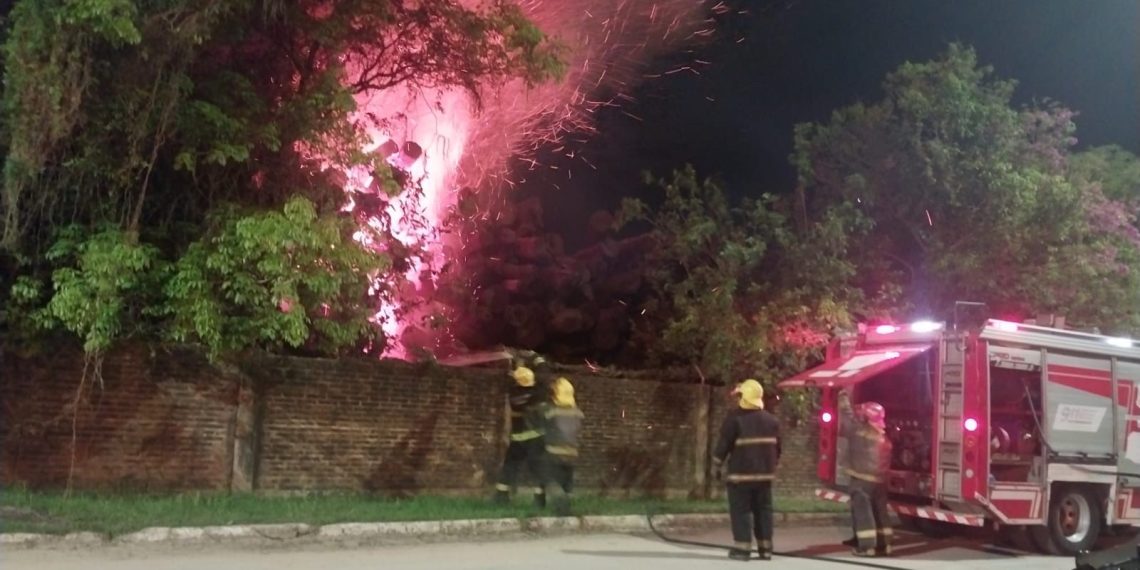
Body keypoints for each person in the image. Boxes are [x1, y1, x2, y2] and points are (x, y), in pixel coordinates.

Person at [712, 379, 781, 561]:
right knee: (763, 511)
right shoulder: (772, 421)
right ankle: (766, 550)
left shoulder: (735, 419)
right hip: (765, 478)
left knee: (741, 511)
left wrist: (716, 465)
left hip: (740, 477)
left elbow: (724, 445)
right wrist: (770, 467)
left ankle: (742, 550)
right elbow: (778, 449)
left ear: (744, 397)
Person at [838, 389, 894, 557]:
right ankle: (885, 545)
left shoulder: (859, 433)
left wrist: (842, 398)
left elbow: (847, 419)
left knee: (864, 514)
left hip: (861, 481)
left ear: (867, 417)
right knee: (880, 513)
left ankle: (867, 547)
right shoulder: (884, 438)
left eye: (862, 414)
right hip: (880, 482)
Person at [491, 361, 548, 508]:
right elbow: (544, 381)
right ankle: (539, 500)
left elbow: (511, 383)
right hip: (535, 439)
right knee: (538, 470)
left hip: (517, 440)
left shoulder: (513, 395)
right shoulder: (535, 394)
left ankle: (501, 496)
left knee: (509, 467)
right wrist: (538, 360)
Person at [532, 376, 585, 517]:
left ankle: (555, 498)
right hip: (572, 454)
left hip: (553, 452)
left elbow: (538, 415)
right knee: (567, 482)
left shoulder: (550, 410)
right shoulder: (578, 413)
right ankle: (566, 508)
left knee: (547, 477)